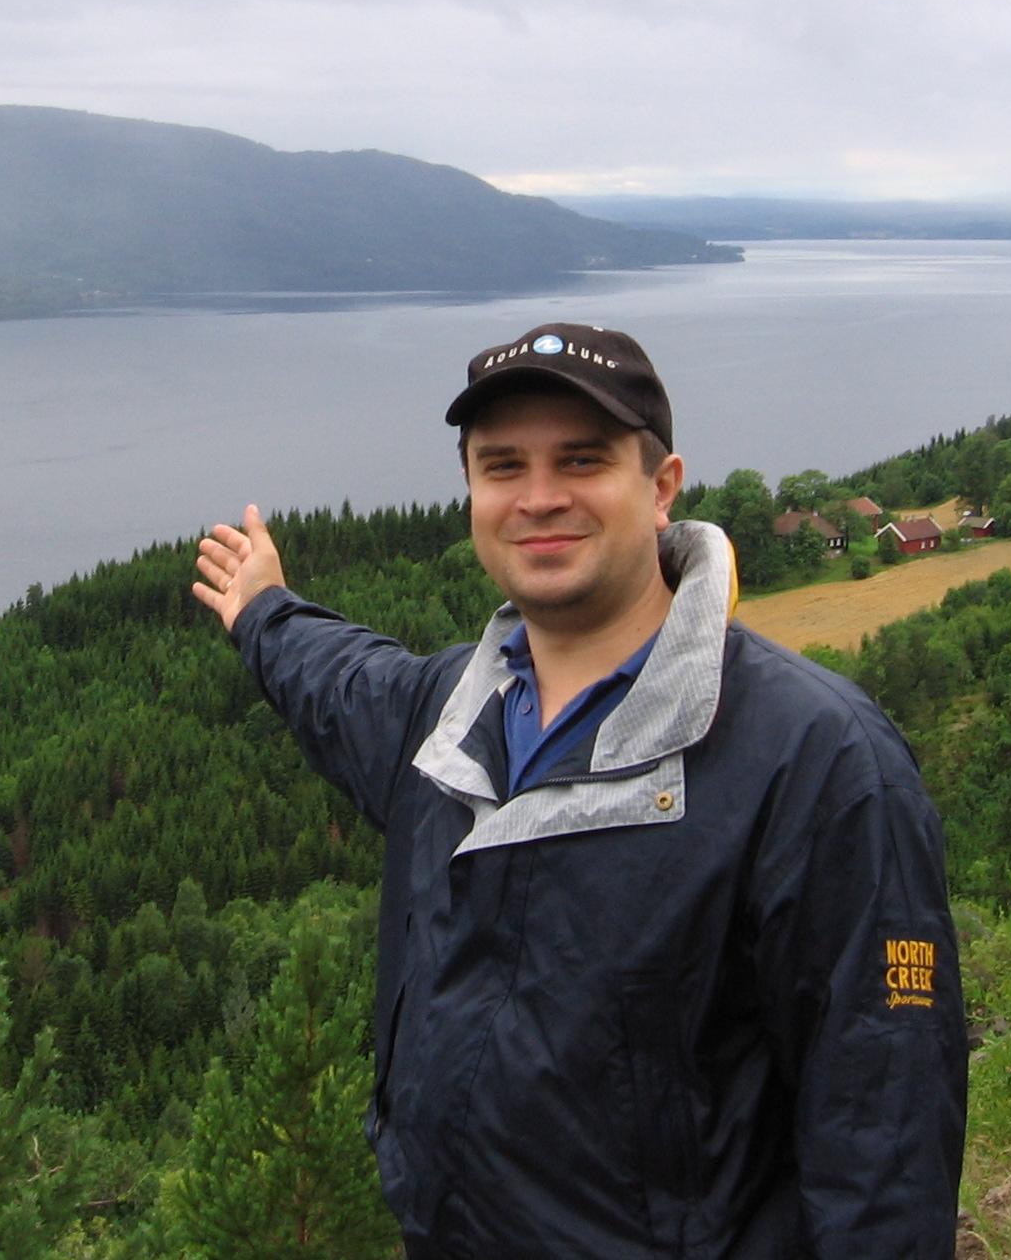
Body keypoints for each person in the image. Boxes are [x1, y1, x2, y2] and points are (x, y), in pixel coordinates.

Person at [192, 322, 966, 1257]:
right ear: (473, 491)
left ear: (662, 485)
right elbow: (339, 683)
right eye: (503, 466)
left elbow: (884, 1143)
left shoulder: (816, 760)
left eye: (582, 460)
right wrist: (264, 612)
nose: (539, 497)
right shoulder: (445, 717)